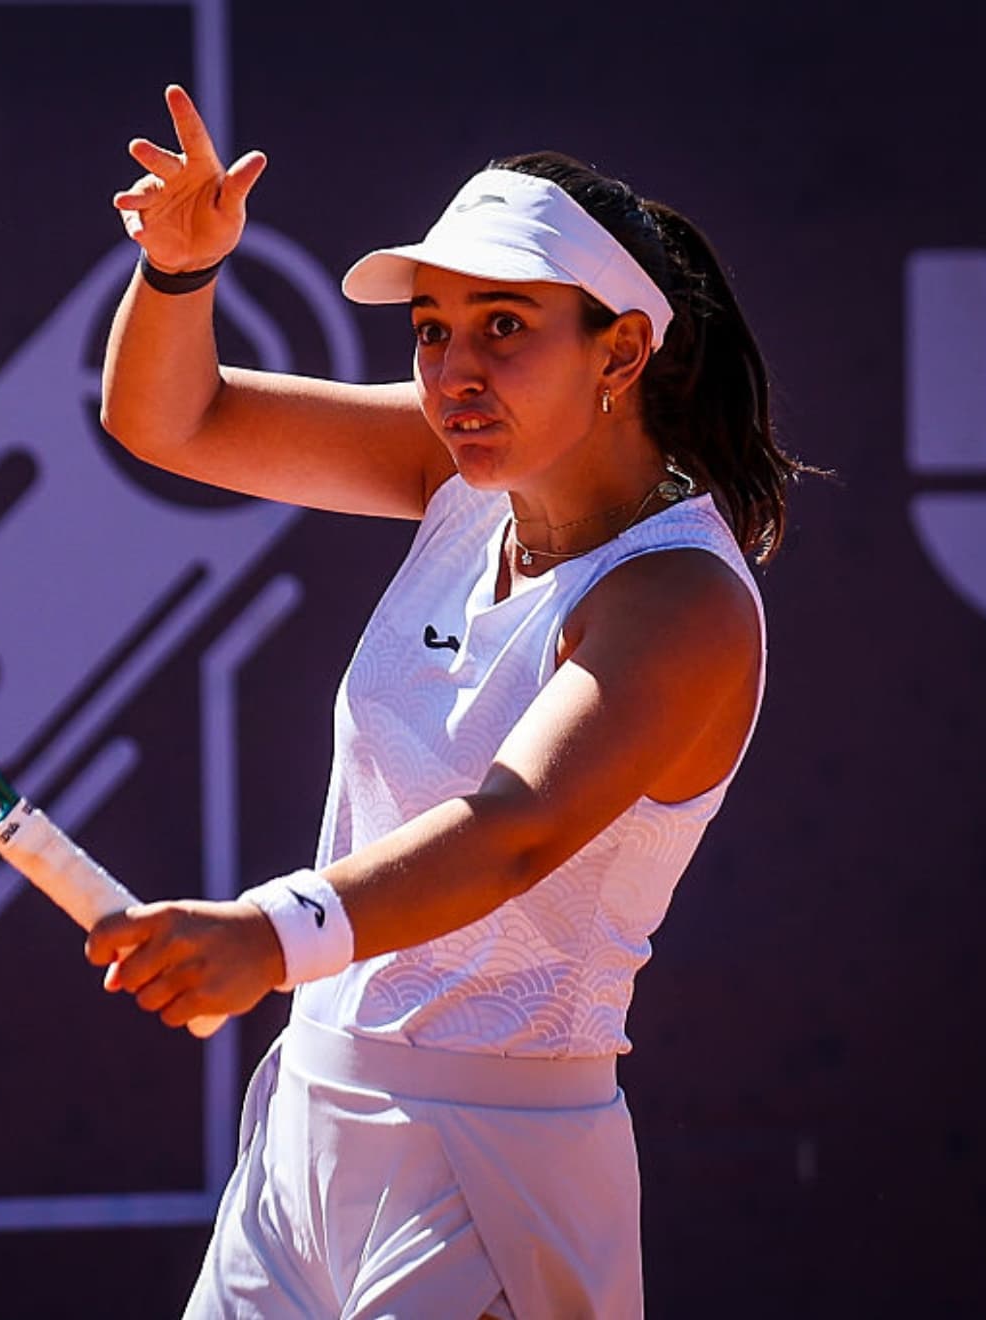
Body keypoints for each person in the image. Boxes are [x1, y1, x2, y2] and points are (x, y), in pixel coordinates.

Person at [84, 85, 807, 1319]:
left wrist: (268, 935)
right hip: (308, 1125)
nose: (454, 372)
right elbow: (172, 418)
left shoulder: (681, 601)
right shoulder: (463, 478)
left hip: (496, 1171)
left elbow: (513, 829)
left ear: (621, 351)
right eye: (431, 331)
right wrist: (179, 272)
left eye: (504, 327)